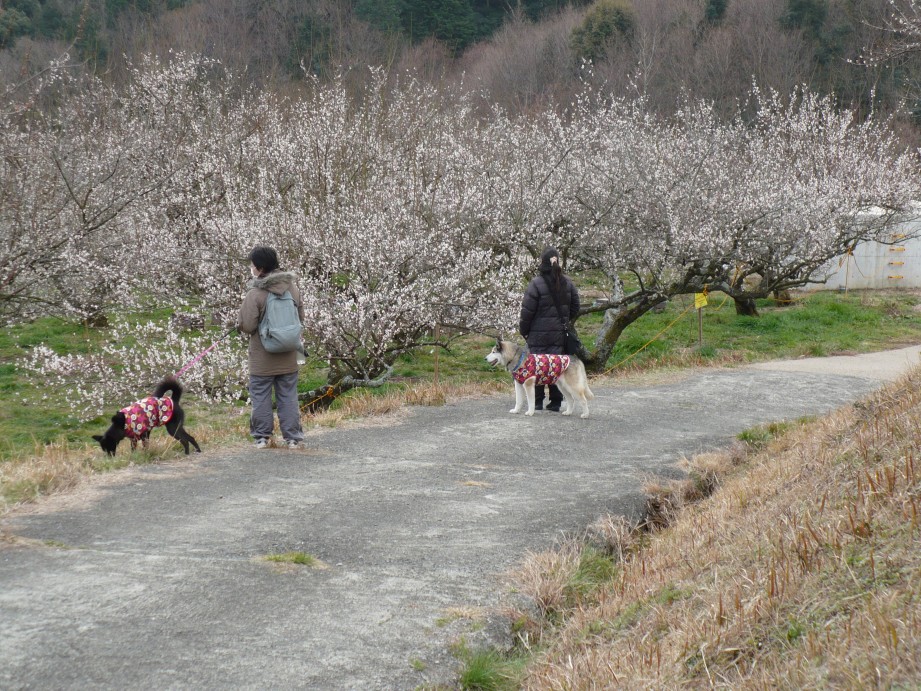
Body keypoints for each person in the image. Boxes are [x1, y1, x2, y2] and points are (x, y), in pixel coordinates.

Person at [237, 245, 305, 449]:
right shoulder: (292, 289)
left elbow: (247, 326)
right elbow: (300, 318)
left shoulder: (256, 294)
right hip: (288, 354)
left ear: (259, 268)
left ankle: (262, 437)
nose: (251, 268)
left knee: (261, 397)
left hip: (262, 357)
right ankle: (293, 438)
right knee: (288, 397)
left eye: (252, 265)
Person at [519, 246, 581, 412]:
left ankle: (537, 401)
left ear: (543, 263)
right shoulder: (567, 282)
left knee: (537, 365)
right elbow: (576, 306)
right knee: (555, 365)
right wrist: (565, 320)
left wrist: (524, 330)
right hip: (559, 333)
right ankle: (555, 402)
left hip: (537, 333)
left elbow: (527, 311)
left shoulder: (535, 284)